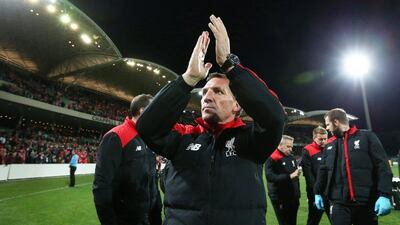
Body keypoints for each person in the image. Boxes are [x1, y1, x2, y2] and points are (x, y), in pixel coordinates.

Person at [136, 15, 286, 225]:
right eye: (205, 92)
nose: (207, 96)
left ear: (237, 106)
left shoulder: (251, 141)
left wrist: (230, 65)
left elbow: (275, 118)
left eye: (218, 91)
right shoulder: (184, 137)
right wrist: (188, 79)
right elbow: (147, 127)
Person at [314, 108, 393, 225]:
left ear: (336, 122)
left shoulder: (367, 137)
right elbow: (323, 170)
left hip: (365, 202)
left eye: (328, 124)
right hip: (338, 203)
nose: (327, 128)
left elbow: (382, 166)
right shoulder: (330, 144)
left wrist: (385, 195)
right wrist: (317, 192)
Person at [92, 94, 162, 225]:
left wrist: (157, 209)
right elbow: (101, 186)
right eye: (156, 109)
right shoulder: (116, 136)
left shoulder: (148, 138)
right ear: (142, 110)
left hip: (149, 218)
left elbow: (152, 179)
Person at [265, 135, 300, 225]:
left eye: (291, 146)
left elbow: (296, 178)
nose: (291, 149)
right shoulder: (272, 158)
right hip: (280, 198)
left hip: (293, 197)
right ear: (280, 145)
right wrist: (289, 176)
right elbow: (270, 177)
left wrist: (297, 194)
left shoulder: (291, 157)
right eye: (288, 146)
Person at [300, 126, 331, 225]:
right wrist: (316, 192)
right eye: (320, 139)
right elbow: (309, 176)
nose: (323, 141)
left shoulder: (330, 148)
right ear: (314, 138)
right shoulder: (307, 150)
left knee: (337, 219)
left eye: (325, 139)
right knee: (314, 219)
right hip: (316, 193)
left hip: (331, 191)